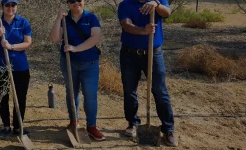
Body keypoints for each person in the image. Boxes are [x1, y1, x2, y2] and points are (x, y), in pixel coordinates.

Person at [117, 0, 177, 146]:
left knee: (159, 90)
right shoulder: (126, 4)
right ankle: (132, 123)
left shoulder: (158, 1)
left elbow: (167, 13)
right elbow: (126, 25)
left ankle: (168, 129)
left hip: (154, 54)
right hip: (129, 54)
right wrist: (143, 30)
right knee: (129, 89)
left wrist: (157, 5)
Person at [48, 0, 105, 141]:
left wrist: (75, 48)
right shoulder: (65, 20)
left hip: (89, 63)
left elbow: (96, 37)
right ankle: (74, 121)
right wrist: (58, 19)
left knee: (90, 95)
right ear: (68, 3)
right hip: (69, 63)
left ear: (83, 1)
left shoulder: (91, 17)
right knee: (72, 92)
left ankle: (91, 126)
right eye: (72, 1)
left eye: (78, 0)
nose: (76, 3)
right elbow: (55, 38)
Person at [0, 0, 33, 137]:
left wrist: (11, 46)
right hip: (0, 67)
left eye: (13, 5)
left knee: (20, 98)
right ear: (2, 7)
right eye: (7, 5)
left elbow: (28, 43)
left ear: (16, 6)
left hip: (20, 67)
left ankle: (18, 127)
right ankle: (6, 126)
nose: (10, 8)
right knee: (3, 97)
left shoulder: (23, 22)